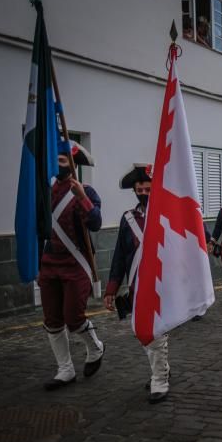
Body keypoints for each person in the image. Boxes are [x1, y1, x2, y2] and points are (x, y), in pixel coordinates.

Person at [103, 164, 170, 404]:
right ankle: (161, 368)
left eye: (147, 188)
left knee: (156, 332)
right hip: (135, 284)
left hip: (161, 282)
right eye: (139, 189)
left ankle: (160, 378)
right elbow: (120, 255)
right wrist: (111, 289)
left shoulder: (165, 214)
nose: (143, 192)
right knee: (141, 331)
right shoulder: (128, 218)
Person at [39, 143, 104, 390]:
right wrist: (37, 265)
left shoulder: (86, 190)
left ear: (73, 164)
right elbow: (38, 228)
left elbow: (96, 223)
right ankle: (65, 369)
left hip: (76, 263)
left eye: (63, 161)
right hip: (50, 263)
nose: (59, 165)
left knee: (74, 318)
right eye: (55, 161)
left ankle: (96, 347)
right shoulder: (45, 191)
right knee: (52, 320)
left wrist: (82, 199)